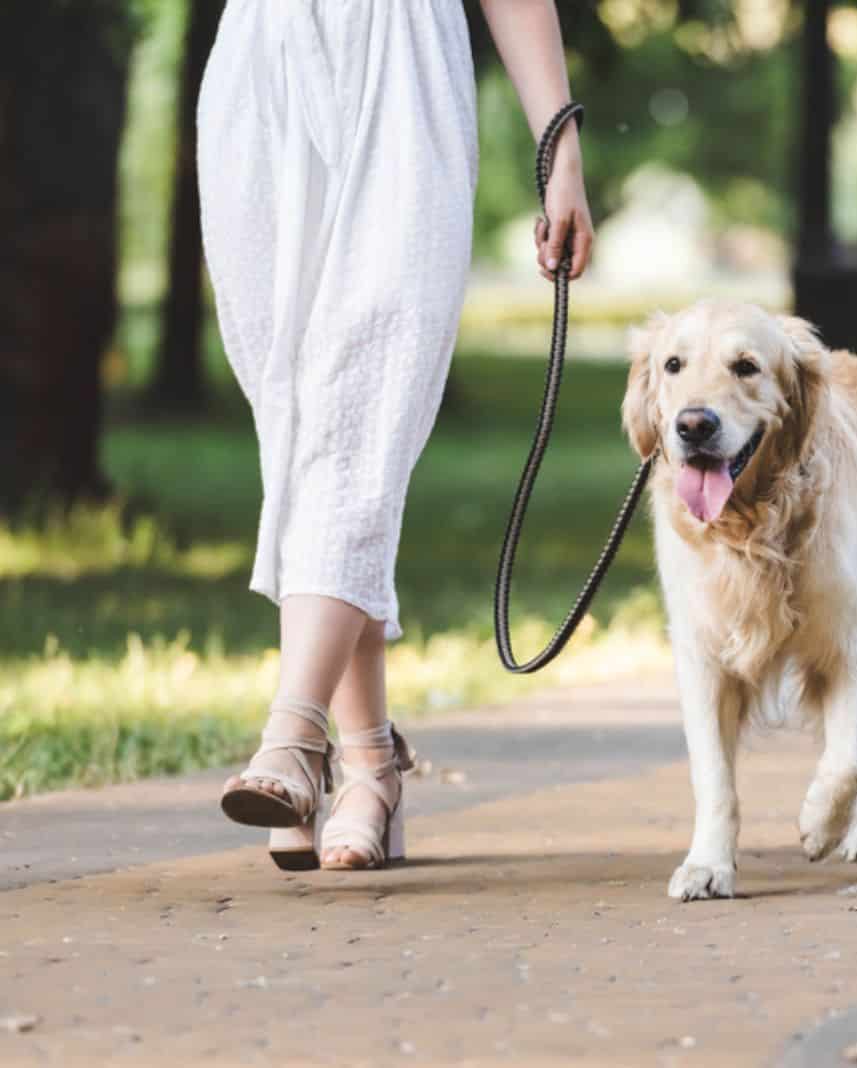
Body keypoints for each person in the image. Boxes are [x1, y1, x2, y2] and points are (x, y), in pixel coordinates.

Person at [197, 0, 593, 871]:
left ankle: (294, 734)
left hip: (405, 70)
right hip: (259, 69)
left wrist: (558, 148)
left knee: (360, 411)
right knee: (300, 428)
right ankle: (370, 762)